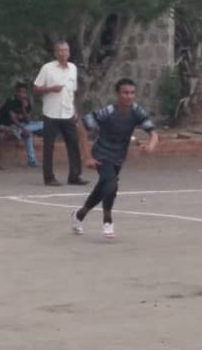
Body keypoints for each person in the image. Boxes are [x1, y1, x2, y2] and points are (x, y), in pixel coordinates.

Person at [71, 78, 159, 239]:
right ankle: (107, 221)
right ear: (118, 94)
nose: (129, 96)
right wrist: (87, 156)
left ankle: (79, 215)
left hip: (118, 156)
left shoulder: (137, 111)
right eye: (125, 93)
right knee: (111, 185)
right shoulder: (108, 112)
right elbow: (81, 126)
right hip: (101, 154)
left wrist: (151, 146)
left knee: (103, 188)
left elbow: (153, 133)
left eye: (132, 93)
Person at [33, 40, 86, 186]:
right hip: (51, 113)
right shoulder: (47, 68)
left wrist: (74, 110)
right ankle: (49, 177)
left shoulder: (73, 68)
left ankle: (74, 176)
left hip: (67, 113)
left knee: (73, 144)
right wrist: (50, 89)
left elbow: (71, 92)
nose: (63, 53)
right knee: (49, 146)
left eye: (66, 50)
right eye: (60, 51)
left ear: (69, 52)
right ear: (55, 53)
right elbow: (36, 88)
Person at [0, 82, 43, 168]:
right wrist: (22, 128)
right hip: (9, 125)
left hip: (22, 126)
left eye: (24, 92)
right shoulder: (11, 101)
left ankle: (31, 161)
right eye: (20, 92)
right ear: (16, 92)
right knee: (27, 133)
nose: (22, 94)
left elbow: (28, 119)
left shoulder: (27, 102)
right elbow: (13, 119)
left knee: (43, 124)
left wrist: (23, 107)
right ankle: (19, 130)